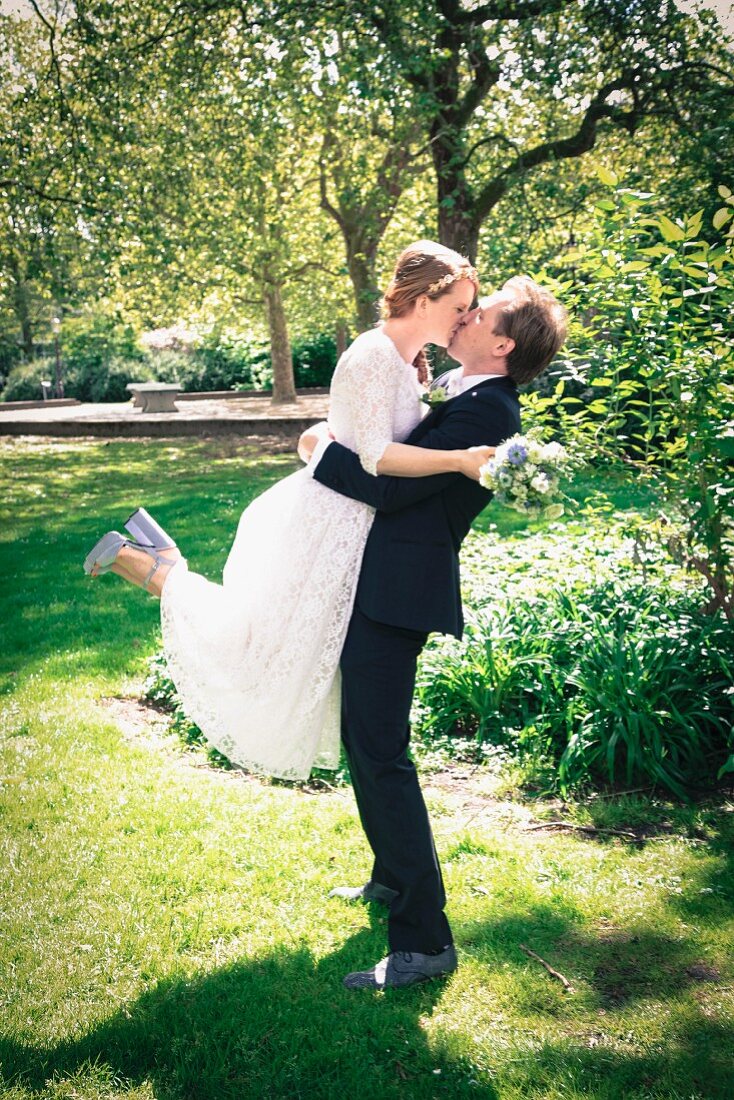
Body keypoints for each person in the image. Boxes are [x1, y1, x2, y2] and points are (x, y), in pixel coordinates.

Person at [83, 241, 492, 782]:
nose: (465, 319)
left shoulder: (406, 362)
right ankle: (149, 563)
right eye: (459, 307)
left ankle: (154, 557)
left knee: (278, 646)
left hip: (354, 525)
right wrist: (459, 459)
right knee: (258, 645)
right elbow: (374, 456)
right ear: (423, 301)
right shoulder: (372, 353)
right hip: (326, 521)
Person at [298, 275, 568, 990]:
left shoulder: (488, 411)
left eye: (480, 314)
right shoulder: (471, 394)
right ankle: (392, 880)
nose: (465, 316)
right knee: (369, 742)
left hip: (398, 594)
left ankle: (425, 941)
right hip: (388, 584)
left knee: (381, 753)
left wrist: (319, 450)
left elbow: (388, 486)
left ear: (502, 344)